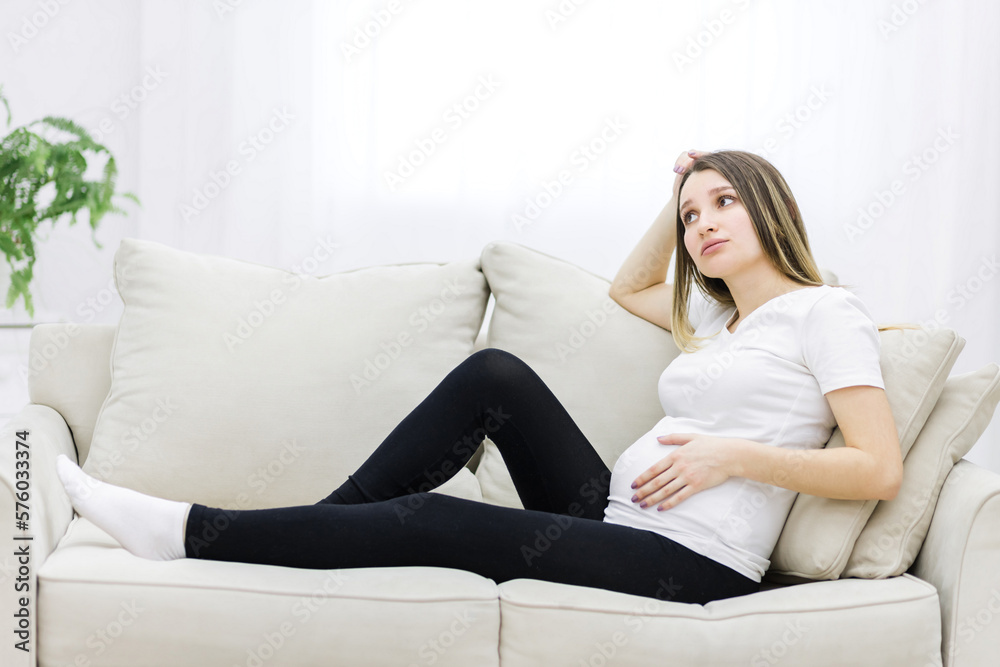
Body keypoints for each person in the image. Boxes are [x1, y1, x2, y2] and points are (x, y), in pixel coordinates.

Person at [55, 149, 904, 606]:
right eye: (694, 215)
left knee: (437, 518)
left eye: (726, 201)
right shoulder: (724, 323)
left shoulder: (827, 313)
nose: (703, 223)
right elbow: (628, 288)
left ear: (775, 208)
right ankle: (309, 534)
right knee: (494, 373)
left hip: (690, 561)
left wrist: (731, 458)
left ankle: (192, 533)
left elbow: (878, 465)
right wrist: (674, 190)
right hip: (619, 515)